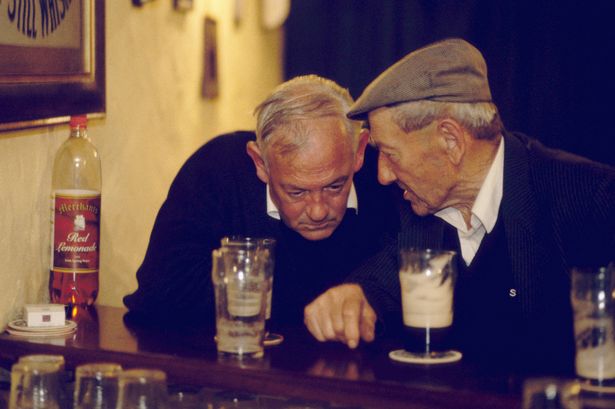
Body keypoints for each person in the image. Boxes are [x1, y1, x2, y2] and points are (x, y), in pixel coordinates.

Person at [304, 39, 615, 373]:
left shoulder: (590, 196)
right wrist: (352, 297)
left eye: (390, 155)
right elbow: (384, 278)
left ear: (450, 140)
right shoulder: (417, 210)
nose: (383, 175)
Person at [123, 75, 400, 330]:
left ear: (359, 151)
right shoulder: (217, 170)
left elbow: (411, 280)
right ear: (260, 163)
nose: (318, 211)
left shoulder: (391, 180)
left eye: (334, 186)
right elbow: (159, 293)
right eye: (296, 192)